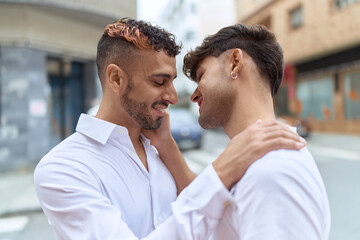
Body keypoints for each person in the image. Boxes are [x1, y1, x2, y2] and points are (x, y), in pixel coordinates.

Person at [34, 18, 306, 240]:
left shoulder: (159, 147)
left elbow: (212, 215)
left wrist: (168, 147)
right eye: (159, 82)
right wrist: (222, 169)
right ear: (116, 78)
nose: (173, 97)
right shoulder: (63, 169)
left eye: (173, 81)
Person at [179, 24, 331, 239]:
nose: (194, 95)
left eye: (201, 75)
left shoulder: (271, 171)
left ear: (235, 63)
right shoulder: (252, 161)